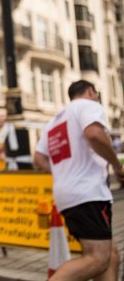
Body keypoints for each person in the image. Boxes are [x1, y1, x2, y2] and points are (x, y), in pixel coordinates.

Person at [34, 80, 124, 281]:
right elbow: (94, 134)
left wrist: (63, 174)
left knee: (111, 254)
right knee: (98, 258)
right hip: (88, 193)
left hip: (68, 194)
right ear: (91, 92)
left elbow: (38, 158)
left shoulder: (54, 121)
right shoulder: (89, 106)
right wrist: (117, 166)